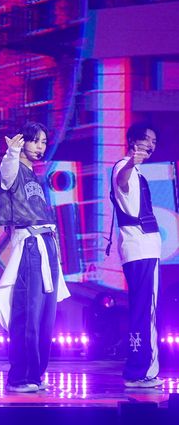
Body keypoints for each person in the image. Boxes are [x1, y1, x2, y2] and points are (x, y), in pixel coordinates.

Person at [0, 122, 69, 393]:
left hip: (47, 244)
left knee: (46, 315)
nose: (40, 146)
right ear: (23, 141)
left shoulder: (35, 176)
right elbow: (7, 172)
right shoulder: (11, 168)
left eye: (44, 142)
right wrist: (12, 152)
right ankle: (20, 376)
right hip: (30, 244)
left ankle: (36, 373)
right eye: (35, 140)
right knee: (28, 313)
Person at [109, 122, 163, 388]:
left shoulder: (134, 171)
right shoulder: (124, 167)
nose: (151, 145)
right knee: (145, 312)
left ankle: (137, 369)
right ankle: (141, 371)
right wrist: (131, 161)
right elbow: (122, 180)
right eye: (147, 139)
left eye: (154, 141)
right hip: (141, 249)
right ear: (133, 141)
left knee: (141, 311)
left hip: (139, 249)